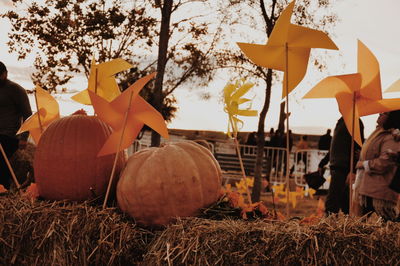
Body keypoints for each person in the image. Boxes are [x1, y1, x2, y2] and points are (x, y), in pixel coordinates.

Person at [354, 111, 400, 221]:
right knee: (361, 222)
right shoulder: (379, 133)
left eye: (383, 114)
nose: (379, 114)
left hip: (381, 189)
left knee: (389, 222)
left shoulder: (392, 137)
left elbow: (384, 162)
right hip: (369, 187)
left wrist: (363, 164)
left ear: (391, 118)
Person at [0, 61, 32, 189]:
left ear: (5, 74)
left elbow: (28, 115)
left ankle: (3, 188)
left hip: (9, 135)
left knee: (1, 161)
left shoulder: (16, 90)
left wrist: (24, 138)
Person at [324, 116, 364, 215]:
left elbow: (358, 147)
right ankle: (348, 221)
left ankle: (329, 223)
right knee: (343, 198)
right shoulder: (341, 121)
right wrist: (323, 162)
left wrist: (353, 171)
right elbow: (335, 145)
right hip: (336, 165)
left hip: (344, 167)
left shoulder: (355, 121)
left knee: (333, 199)